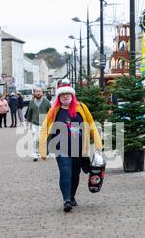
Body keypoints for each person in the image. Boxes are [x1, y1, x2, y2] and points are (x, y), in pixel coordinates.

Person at [39, 79, 102, 213]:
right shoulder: (54, 111)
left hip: (78, 148)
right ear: (59, 97)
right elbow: (44, 128)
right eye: (62, 94)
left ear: (72, 95)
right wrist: (42, 149)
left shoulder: (82, 107)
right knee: (66, 172)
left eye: (68, 94)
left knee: (75, 174)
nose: (65, 96)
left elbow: (91, 124)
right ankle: (66, 200)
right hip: (61, 146)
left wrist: (97, 142)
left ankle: (72, 196)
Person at [27, 88, 51, 162]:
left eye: (39, 91)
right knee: (35, 138)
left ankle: (43, 151)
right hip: (34, 122)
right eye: (37, 91)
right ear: (34, 93)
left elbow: (50, 112)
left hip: (43, 122)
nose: (38, 93)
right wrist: (29, 122)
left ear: (42, 93)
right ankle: (35, 153)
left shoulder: (46, 101)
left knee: (42, 138)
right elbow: (29, 112)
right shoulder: (31, 102)